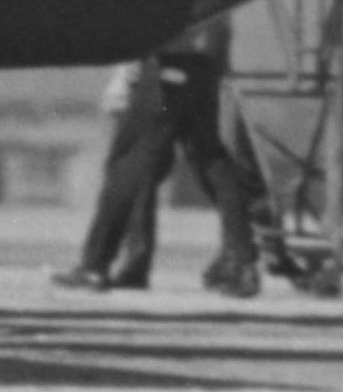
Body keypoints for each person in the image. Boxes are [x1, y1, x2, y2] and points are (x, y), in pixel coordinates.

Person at [59, 34, 270, 294]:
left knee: (126, 164)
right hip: (203, 70)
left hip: (165, 67)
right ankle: (242, 261)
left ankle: (94, 266)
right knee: (213, 160)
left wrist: (125, 73)